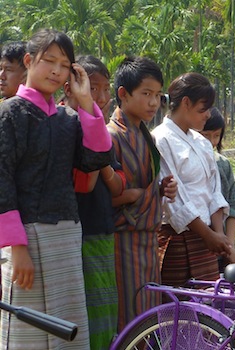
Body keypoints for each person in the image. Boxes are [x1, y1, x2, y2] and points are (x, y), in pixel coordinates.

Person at [0, 29, 112, 349]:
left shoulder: (68, 118)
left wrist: (86, 100)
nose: (55, 70)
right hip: (26, 237)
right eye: (49, 61)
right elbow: (2, 180)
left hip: (66, 235)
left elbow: (96, 158)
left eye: (64, 65)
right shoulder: (10, 114)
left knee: (67, 330)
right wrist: (16, 248)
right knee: (27, 332)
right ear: (28, 61)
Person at [153, 73, 235, 290]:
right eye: (203, 109)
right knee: (179, 313)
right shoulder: (160, 139)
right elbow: (175, 201)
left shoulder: (201, 142)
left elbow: (214, 192)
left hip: (208, 240)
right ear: (185, 103)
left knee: (209, 311)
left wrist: (219, 235)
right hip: (178, 239)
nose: (207, 115)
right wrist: (209, 235)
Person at [108, 55, 177, 329]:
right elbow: (105, 195)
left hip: (148, 242)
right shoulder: (111, 136)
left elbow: (141, 185)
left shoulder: (145, 135)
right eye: (146, 94)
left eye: (158, 95)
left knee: (149, 318)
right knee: (130, 320)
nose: (153, 102)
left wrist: (159, 189)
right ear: (123, 94)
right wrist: (136, 195)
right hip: (122, 242)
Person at [67, 54, 123, 349]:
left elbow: (117, 183)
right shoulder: (71, 124)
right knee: (86, 306)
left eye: (105, 89)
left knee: (104, 304)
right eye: (93, 88)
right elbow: (87, 183)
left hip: (101, 225)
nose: (101, 97)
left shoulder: (97, 126)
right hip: (79, 228)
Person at [199, 108, 235, 271]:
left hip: (223, 246)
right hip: (200, 244)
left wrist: (229, 244)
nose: (211, 141)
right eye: (206, 135)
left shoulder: (223, 164)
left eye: (216, 135)